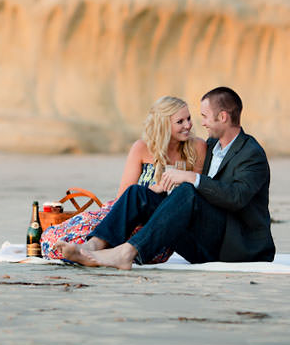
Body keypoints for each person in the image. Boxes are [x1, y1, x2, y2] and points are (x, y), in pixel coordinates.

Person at [58, 86, 275, 270]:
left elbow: (236, 197)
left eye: (204, 117)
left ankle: (127, 252)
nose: (200, 123)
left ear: (223, 117)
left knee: (187, 189)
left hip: (237, 247)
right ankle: (93, 245)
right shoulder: (210, 146)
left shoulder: (251, 153)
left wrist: (190, 177)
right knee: (137, 194)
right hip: (202, 241)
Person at [40, 96, 207, 261]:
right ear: (163, 124)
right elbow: (123, 197)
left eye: (189, 119)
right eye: (180, 121)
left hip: (165, 220)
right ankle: (91, 248)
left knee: (130, 232)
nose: (188, 125)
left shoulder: (197, 147)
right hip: (129, 214)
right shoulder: (142, 147)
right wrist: (152, 190)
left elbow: (198, 192)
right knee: (55, 238)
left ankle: (94, 250)